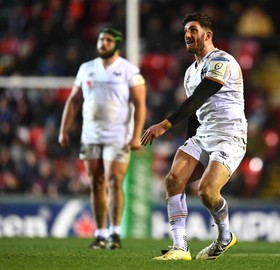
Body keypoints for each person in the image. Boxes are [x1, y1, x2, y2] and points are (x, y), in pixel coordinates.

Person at [141, 11, 247, 260]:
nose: (187, 35)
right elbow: (195, 112)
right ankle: (180, 247)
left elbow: (202, 95)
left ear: (208, 35)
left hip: (229, 135)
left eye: (193, 30)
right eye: (186, 31)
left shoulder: (222, 61)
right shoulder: (190, 72)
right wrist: (187, 143)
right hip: (204, 134)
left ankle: (224, 237)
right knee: (173, 179)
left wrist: (164, 125)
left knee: (207, 191)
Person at [58, 27, 146, 249]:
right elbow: (74, 101)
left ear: (116, 43)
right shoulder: (86, 68)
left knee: (114, 181)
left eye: (107, 40)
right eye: (100, 39)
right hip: (91, 135)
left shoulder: (129, 70)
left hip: (118, 136)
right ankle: (100, 234)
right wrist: (63, 130)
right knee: (96, 183)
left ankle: (115, 233)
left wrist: (136, 136)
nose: (102, 43)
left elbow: (140, 104)